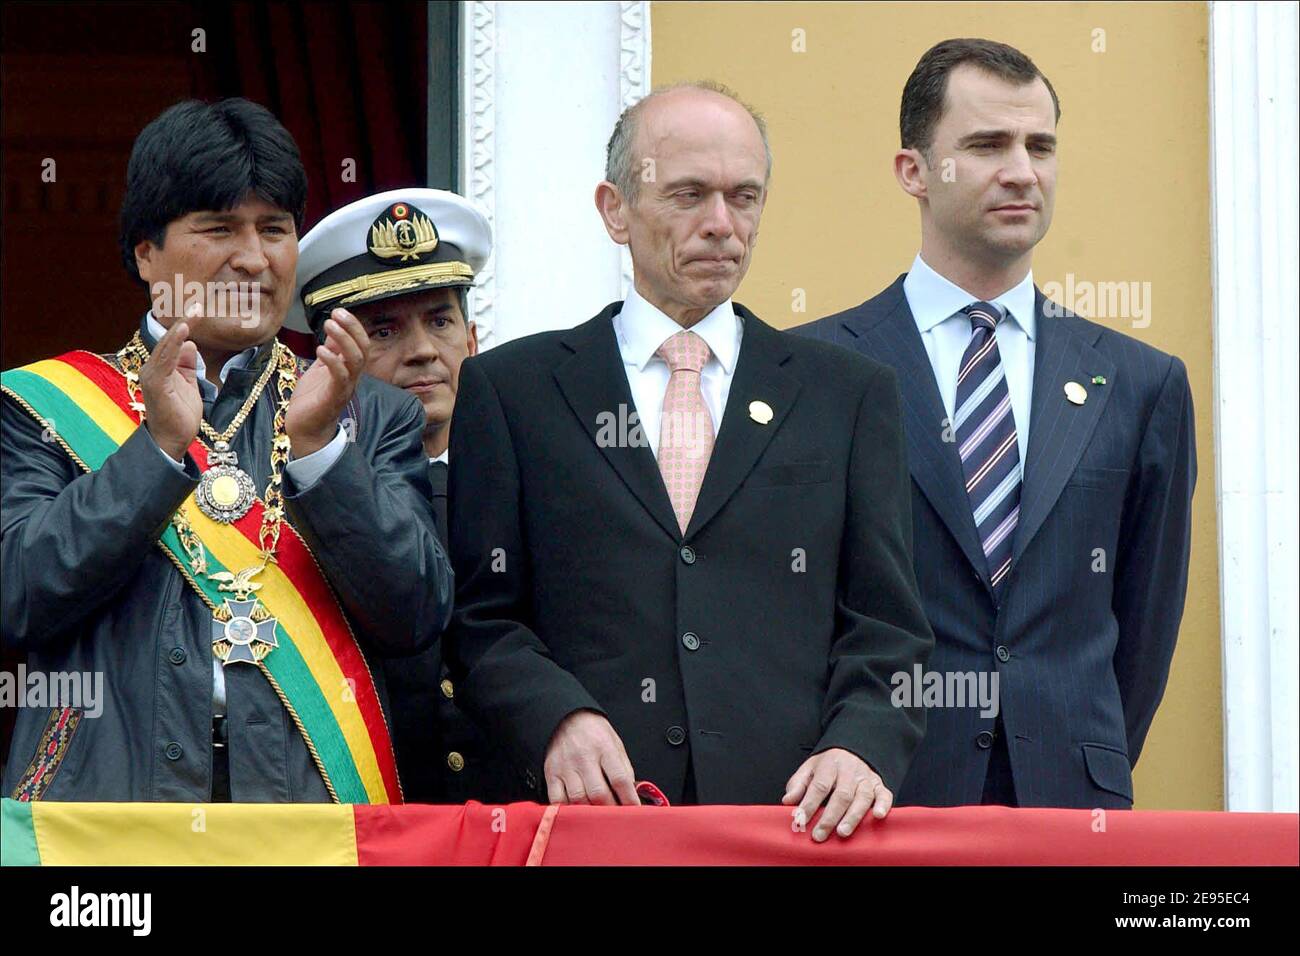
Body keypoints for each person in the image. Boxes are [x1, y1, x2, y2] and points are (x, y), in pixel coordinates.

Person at [444, 81, 934, 841]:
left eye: (744, 197)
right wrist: (555, 718)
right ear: (615, 209)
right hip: (593, 823)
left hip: (795, 826)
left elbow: (889, 624)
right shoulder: (514, 391)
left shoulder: (848, 395)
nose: (721, 225)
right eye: (689, 195)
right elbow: (483, 620)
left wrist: (860, 743)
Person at [0, 99, 451, 804]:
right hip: (107, 813)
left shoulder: (368, 411)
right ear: (148, 253)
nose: (253, 257)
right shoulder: (43, 406)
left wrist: (318, 452)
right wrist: (155, 451)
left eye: (275, 229)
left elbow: (417, 615)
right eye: (218, 229)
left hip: (311, 811)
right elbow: (18, 596)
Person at [794, 38, 1197, 809]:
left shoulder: (1141, 383)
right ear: (913, 171)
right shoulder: (815, 369)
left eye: (1040, 145)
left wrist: (1081, 747)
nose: (1022, 171)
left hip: (1070, 807)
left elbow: (1143, 630)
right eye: (987, 145)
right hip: (878, 800)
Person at [288, 188, 515, 803]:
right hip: (369, 814)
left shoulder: (533, 479)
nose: (421, 350)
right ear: (330, 360)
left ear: (472, 338)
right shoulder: (300, 493)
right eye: (383, 329)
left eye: (440, 320)